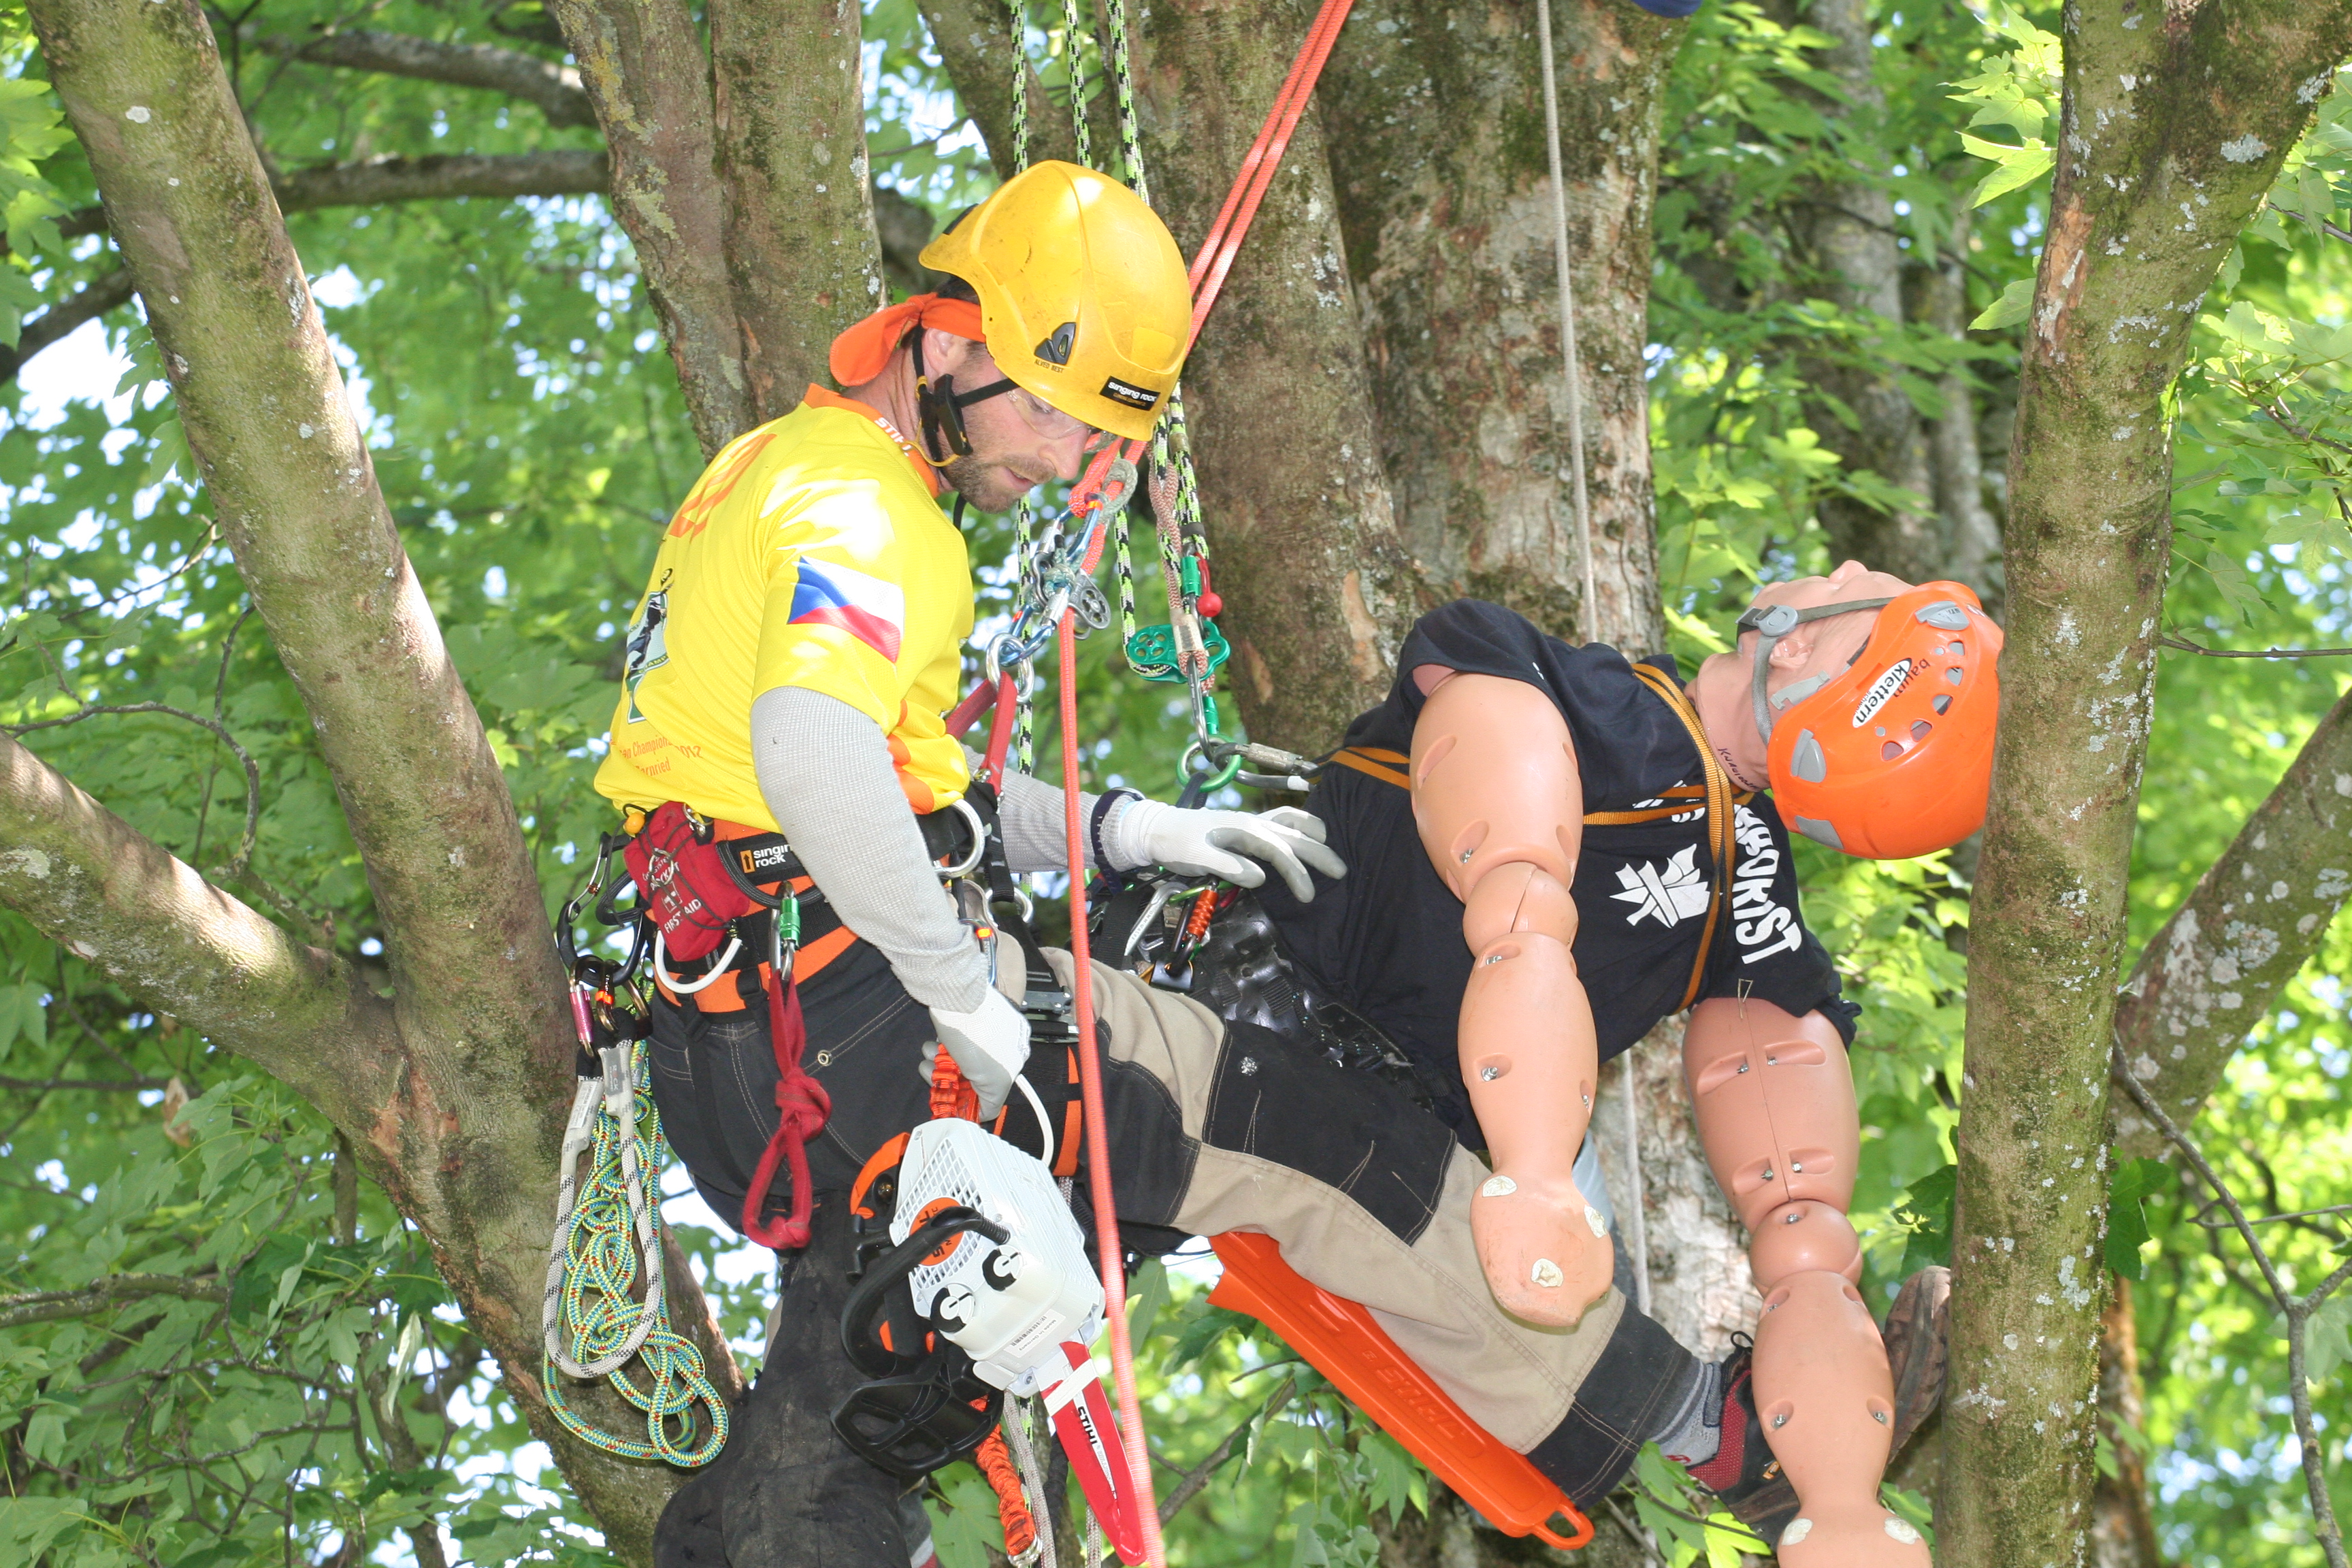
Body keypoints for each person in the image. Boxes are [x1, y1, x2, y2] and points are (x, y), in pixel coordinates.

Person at [598, 158, 1969, 1568]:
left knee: (880, 1377)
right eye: (1059, 416)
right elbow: (817, 758)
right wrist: (962, 991)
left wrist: (1121, 831)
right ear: (951, 338)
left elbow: (870, 782)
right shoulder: (868, 509)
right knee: (1329, 1146)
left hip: (743, 1048)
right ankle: (1709, 1429)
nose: (1068, 466)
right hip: (871, 1007)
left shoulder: (766, 472)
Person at [1241, 570, 2002, 1561]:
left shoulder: (1622, 734)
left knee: (1615, 1302)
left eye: (1860, 593)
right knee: (1602, 1296)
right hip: (1306, 1029)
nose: (1847, 571)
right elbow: (1516, 892)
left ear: (1808, 650)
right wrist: (1541, 1171)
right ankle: (1757, 1455)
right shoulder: (1644, 767)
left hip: (1377, 1101)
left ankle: (1799, 1479)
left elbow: (1797, 1208)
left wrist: (1541, 1174)